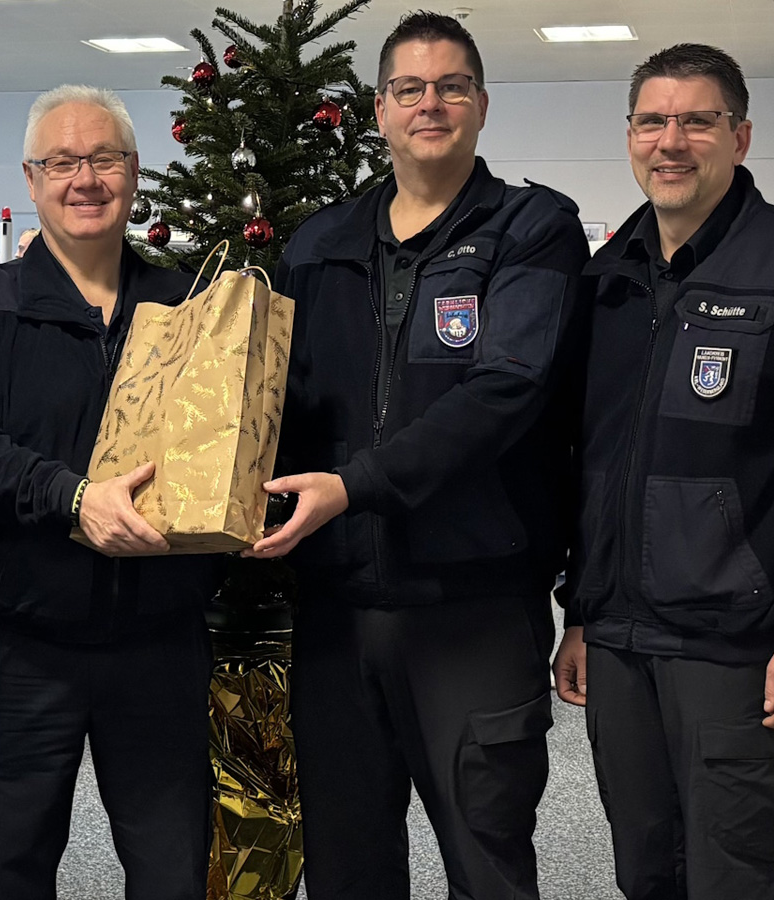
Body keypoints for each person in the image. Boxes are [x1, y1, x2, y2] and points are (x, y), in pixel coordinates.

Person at [552, 43, 774, 899]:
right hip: (621, 640)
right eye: (653, 121)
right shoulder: (606, 281)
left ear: (739, 137)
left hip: (736, 640)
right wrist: (581, 612)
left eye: (697, 120)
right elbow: (588, 463)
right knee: (643, 867)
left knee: (729, 872)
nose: (672, 140)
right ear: (630, 136)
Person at [255, 11, 589, 899]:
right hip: (336, 610)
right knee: (348, 863)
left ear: (481, 105)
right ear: (379, 108)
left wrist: (353, 486)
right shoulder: (318, 244)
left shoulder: (534, 229)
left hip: (472, 607)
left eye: (450, 87)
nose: (429, 104)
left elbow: (504, 394)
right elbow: (272, 402)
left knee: (487, 861)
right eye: (409, 88)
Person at [0, 84, 218, 900]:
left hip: (160, 639)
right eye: (62, 161)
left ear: (132, 172)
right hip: (19, 644)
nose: (84, 179)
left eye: (104, 159)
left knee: (172, 872)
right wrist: (73, 497)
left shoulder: (188, 304)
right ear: (31, 178)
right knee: (11, 868)